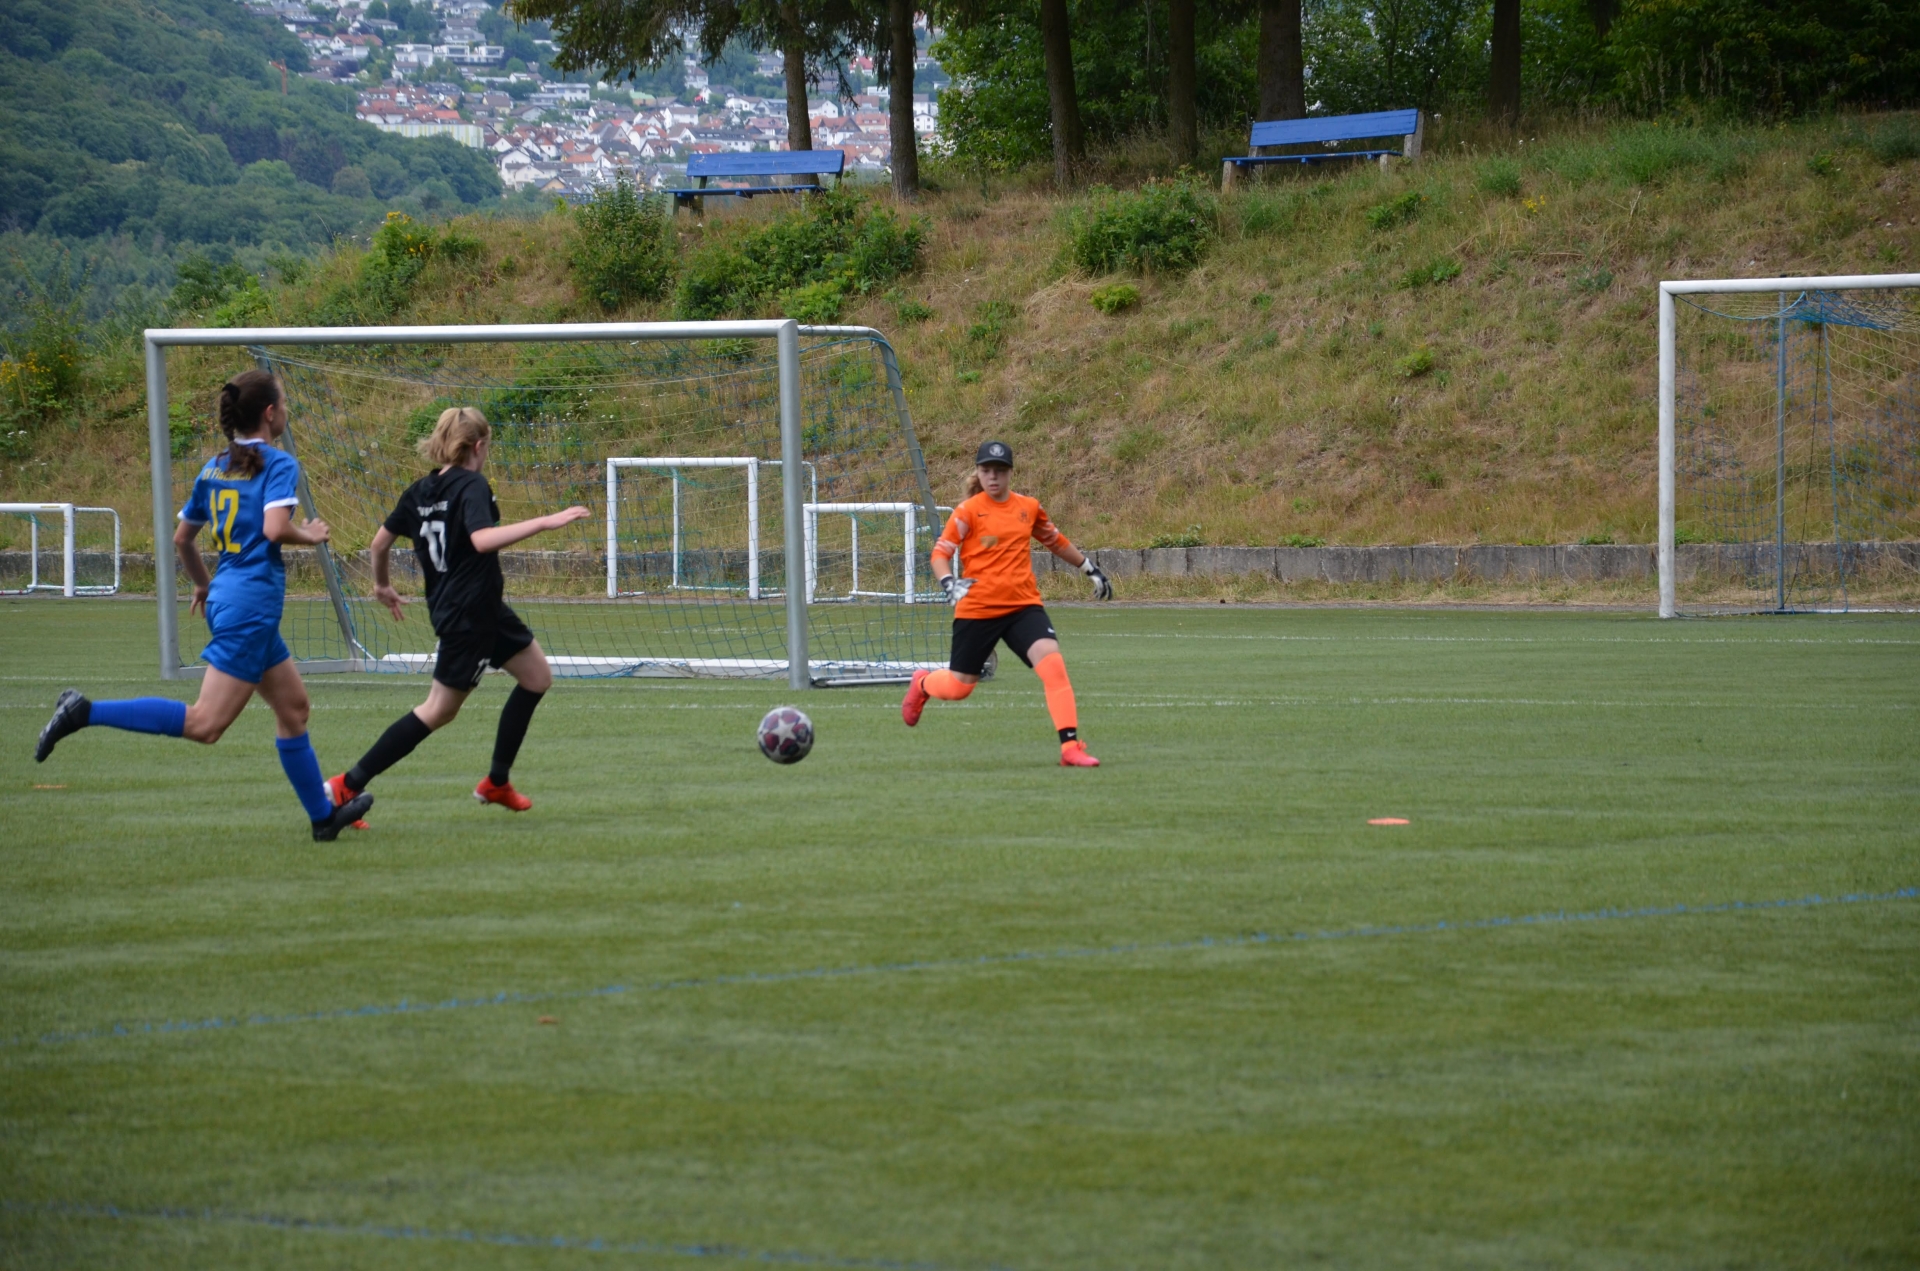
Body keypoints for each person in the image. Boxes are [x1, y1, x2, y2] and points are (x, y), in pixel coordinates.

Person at [34, 370, 373, 841]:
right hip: (250, 608)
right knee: (206, 724)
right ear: (270, 413)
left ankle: (323, 819)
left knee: (294, 708)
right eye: (284, 403)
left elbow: (183, 539)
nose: (287, 410)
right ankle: (84, 711)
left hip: (232, 600)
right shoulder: (278, 463)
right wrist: (309, 533)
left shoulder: (214, 467)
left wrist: (202, 586)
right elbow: (275, 529)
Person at [326, 407, 589, 815]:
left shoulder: (419, 490)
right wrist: (544, 522)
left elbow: (379, 544)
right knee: (438, 710)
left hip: (481, 608)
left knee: (537, 677)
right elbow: (482, 540)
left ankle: (497, 782)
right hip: (468, 616)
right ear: (479, 446)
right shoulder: (473, 485)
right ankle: (346, 785)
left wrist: (381, 585)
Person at [901, 439, 1112, 766]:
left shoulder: (1029, 507)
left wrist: (1089, 568)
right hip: (978, 609)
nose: (993, 476)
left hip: (1022, 607)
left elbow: (1055, 541)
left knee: (1054, 667)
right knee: (959, 688)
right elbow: (940, 553)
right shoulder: (967, 511)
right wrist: (948, 582)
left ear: (1010, 472)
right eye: (986, 470)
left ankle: (1070, 748)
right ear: (978, 472)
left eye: (999, 470)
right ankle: (923, 683)